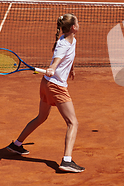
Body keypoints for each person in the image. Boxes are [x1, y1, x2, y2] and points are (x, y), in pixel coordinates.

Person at [6, 14, 85, 173]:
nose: (79, 23)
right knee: (73, 123)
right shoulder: (63, 43)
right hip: (56, 86)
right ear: (73, 27)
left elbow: (69, 55)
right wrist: (53, 67)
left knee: (41, 117)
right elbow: (58, 58)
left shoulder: (71, 39)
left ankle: (16, 145)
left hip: (46, 84)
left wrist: (72, 69)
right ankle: (67, 161)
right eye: (77, 22)